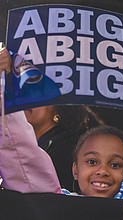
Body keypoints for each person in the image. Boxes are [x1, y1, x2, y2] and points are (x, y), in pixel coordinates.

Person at [0, 46, 105, 191]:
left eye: (35, 90)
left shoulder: (69, 148)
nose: (25, 99)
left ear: (59, 106)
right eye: (20, 89)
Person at [0, 110, 123, 198]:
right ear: (75, 170)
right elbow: (21, 155)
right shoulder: (58, 201)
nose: (102, 171)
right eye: (92, 162)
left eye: (115, 164)